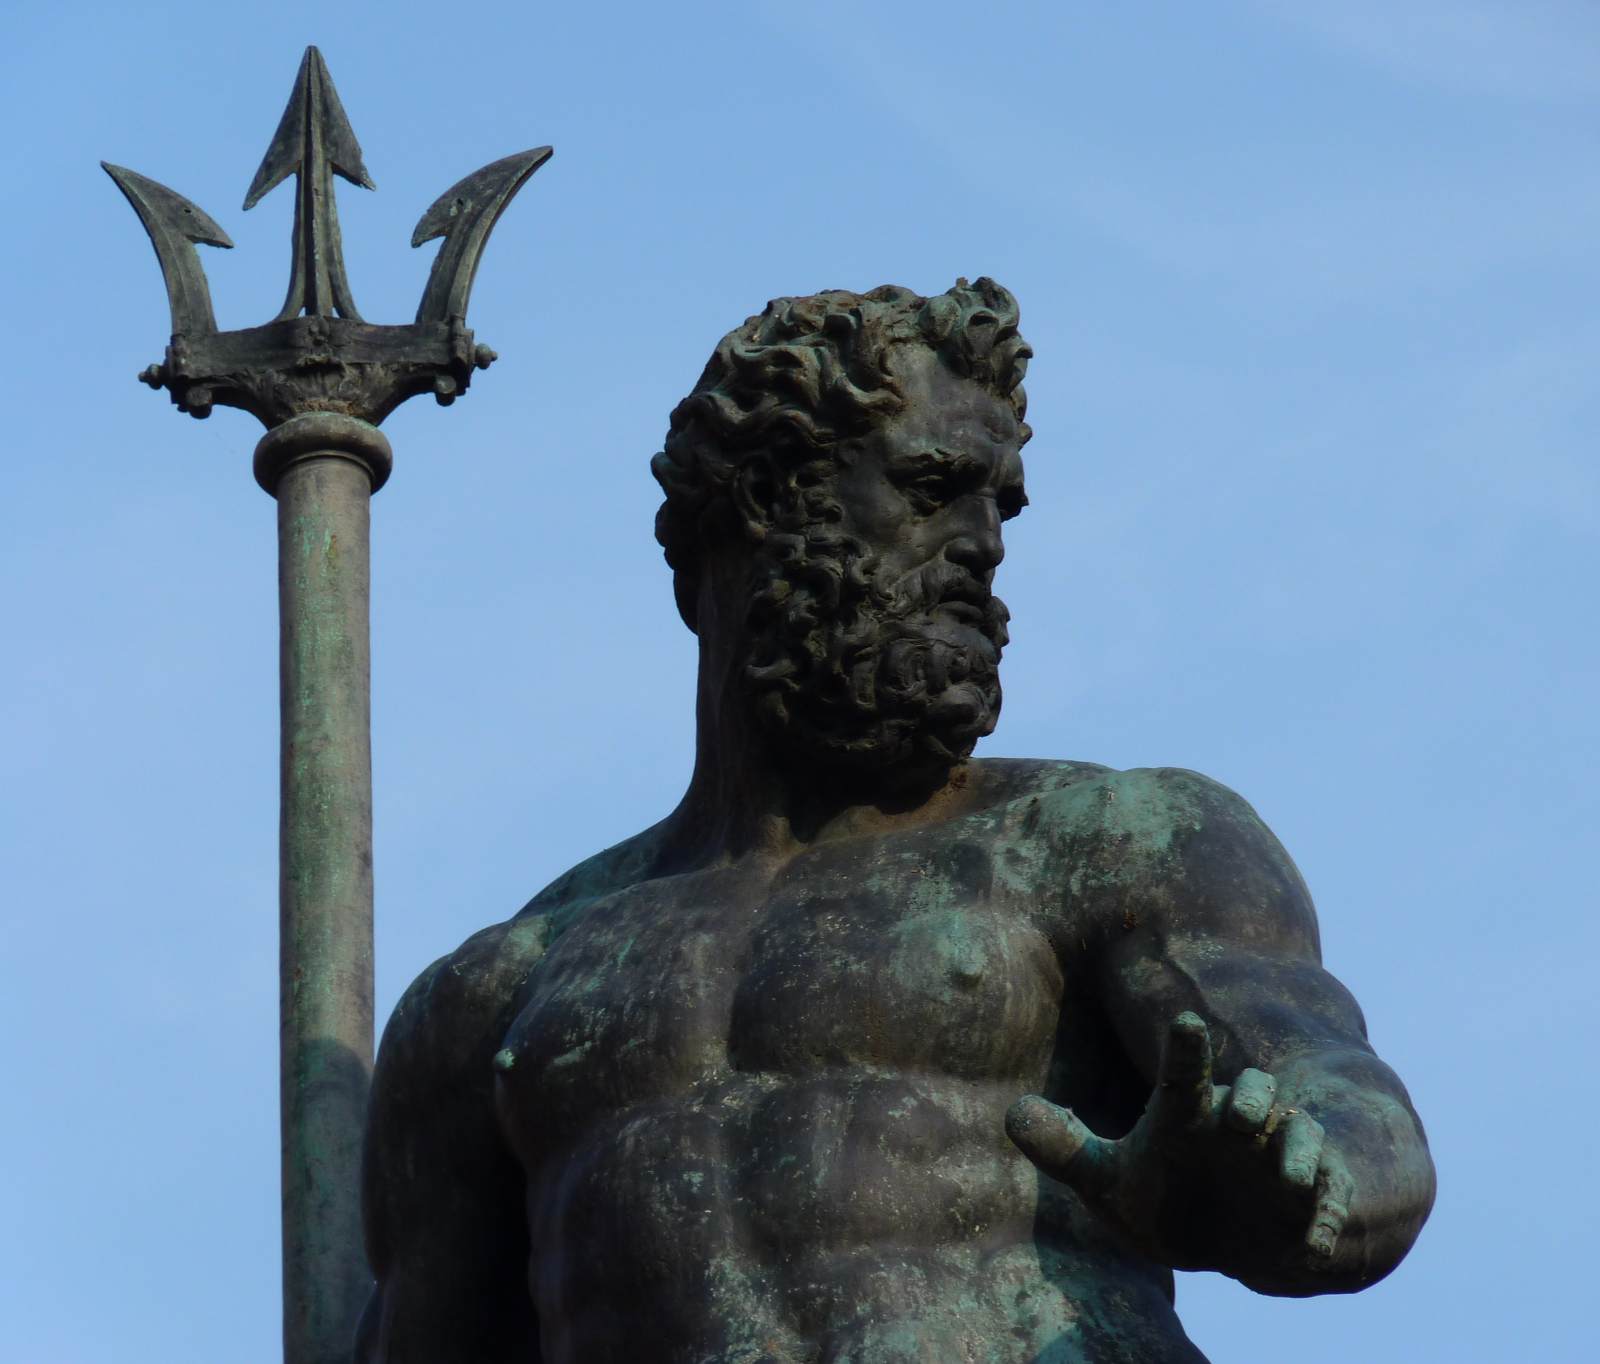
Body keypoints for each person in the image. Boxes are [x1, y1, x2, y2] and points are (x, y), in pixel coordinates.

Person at [356, 279, 1435, 1363]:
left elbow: (1348, 1107)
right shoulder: (499, 994)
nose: (983, 543)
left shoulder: (1109, 837)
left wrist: (1298, 1180)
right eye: (933, 487)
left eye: (999, 504)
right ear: (765, 502)